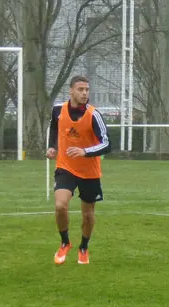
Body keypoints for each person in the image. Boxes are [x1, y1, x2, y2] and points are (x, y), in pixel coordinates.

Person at [46, 75, 111, 265]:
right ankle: (65, 242)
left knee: (88, 215)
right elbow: (54, 127)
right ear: (71, 91)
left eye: (87, 90)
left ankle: (84, 247)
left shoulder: (94, 115)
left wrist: (85, 151)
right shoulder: (58, 110)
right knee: (60, 206)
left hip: (89, 172)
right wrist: (52, 146)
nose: (84, 93)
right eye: (80, 89)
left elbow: (107, 144)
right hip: (65, 167)